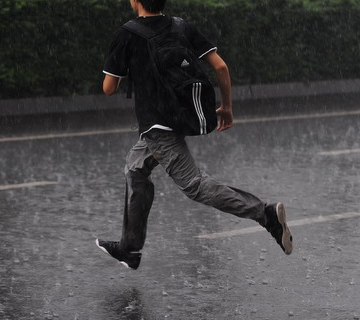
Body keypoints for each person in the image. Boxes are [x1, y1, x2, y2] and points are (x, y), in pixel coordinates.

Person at [95, 0, 293, 270]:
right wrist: (227, 107)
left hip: (158, 127)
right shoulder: (180, 26)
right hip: (180, 116)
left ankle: (265, 213)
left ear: (135, 0)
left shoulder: (126, 34)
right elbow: (221, 67)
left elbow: (108, 88)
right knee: (135, 169)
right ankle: (129, 248)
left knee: (195, 186)